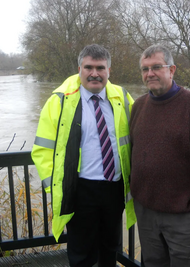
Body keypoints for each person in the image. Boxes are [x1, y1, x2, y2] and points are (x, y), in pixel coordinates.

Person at [32, 44, 136, 267]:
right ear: (79, 68)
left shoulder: (123, 98)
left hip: (114, 189)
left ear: (109, 70)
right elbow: (42, 150)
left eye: (100, 67)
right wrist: (56, 187)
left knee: (111, 248)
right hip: (80, 190)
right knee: (81, 252)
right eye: (89, 67)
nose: (94, 73)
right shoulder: (59, 101)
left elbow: (138, 139)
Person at [130, 44, 190, 267]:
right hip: (146, 213)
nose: (149, 73)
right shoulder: (139, 106)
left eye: (156, 67)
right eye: (145, 69)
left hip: (183, 216)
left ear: (171, 70)